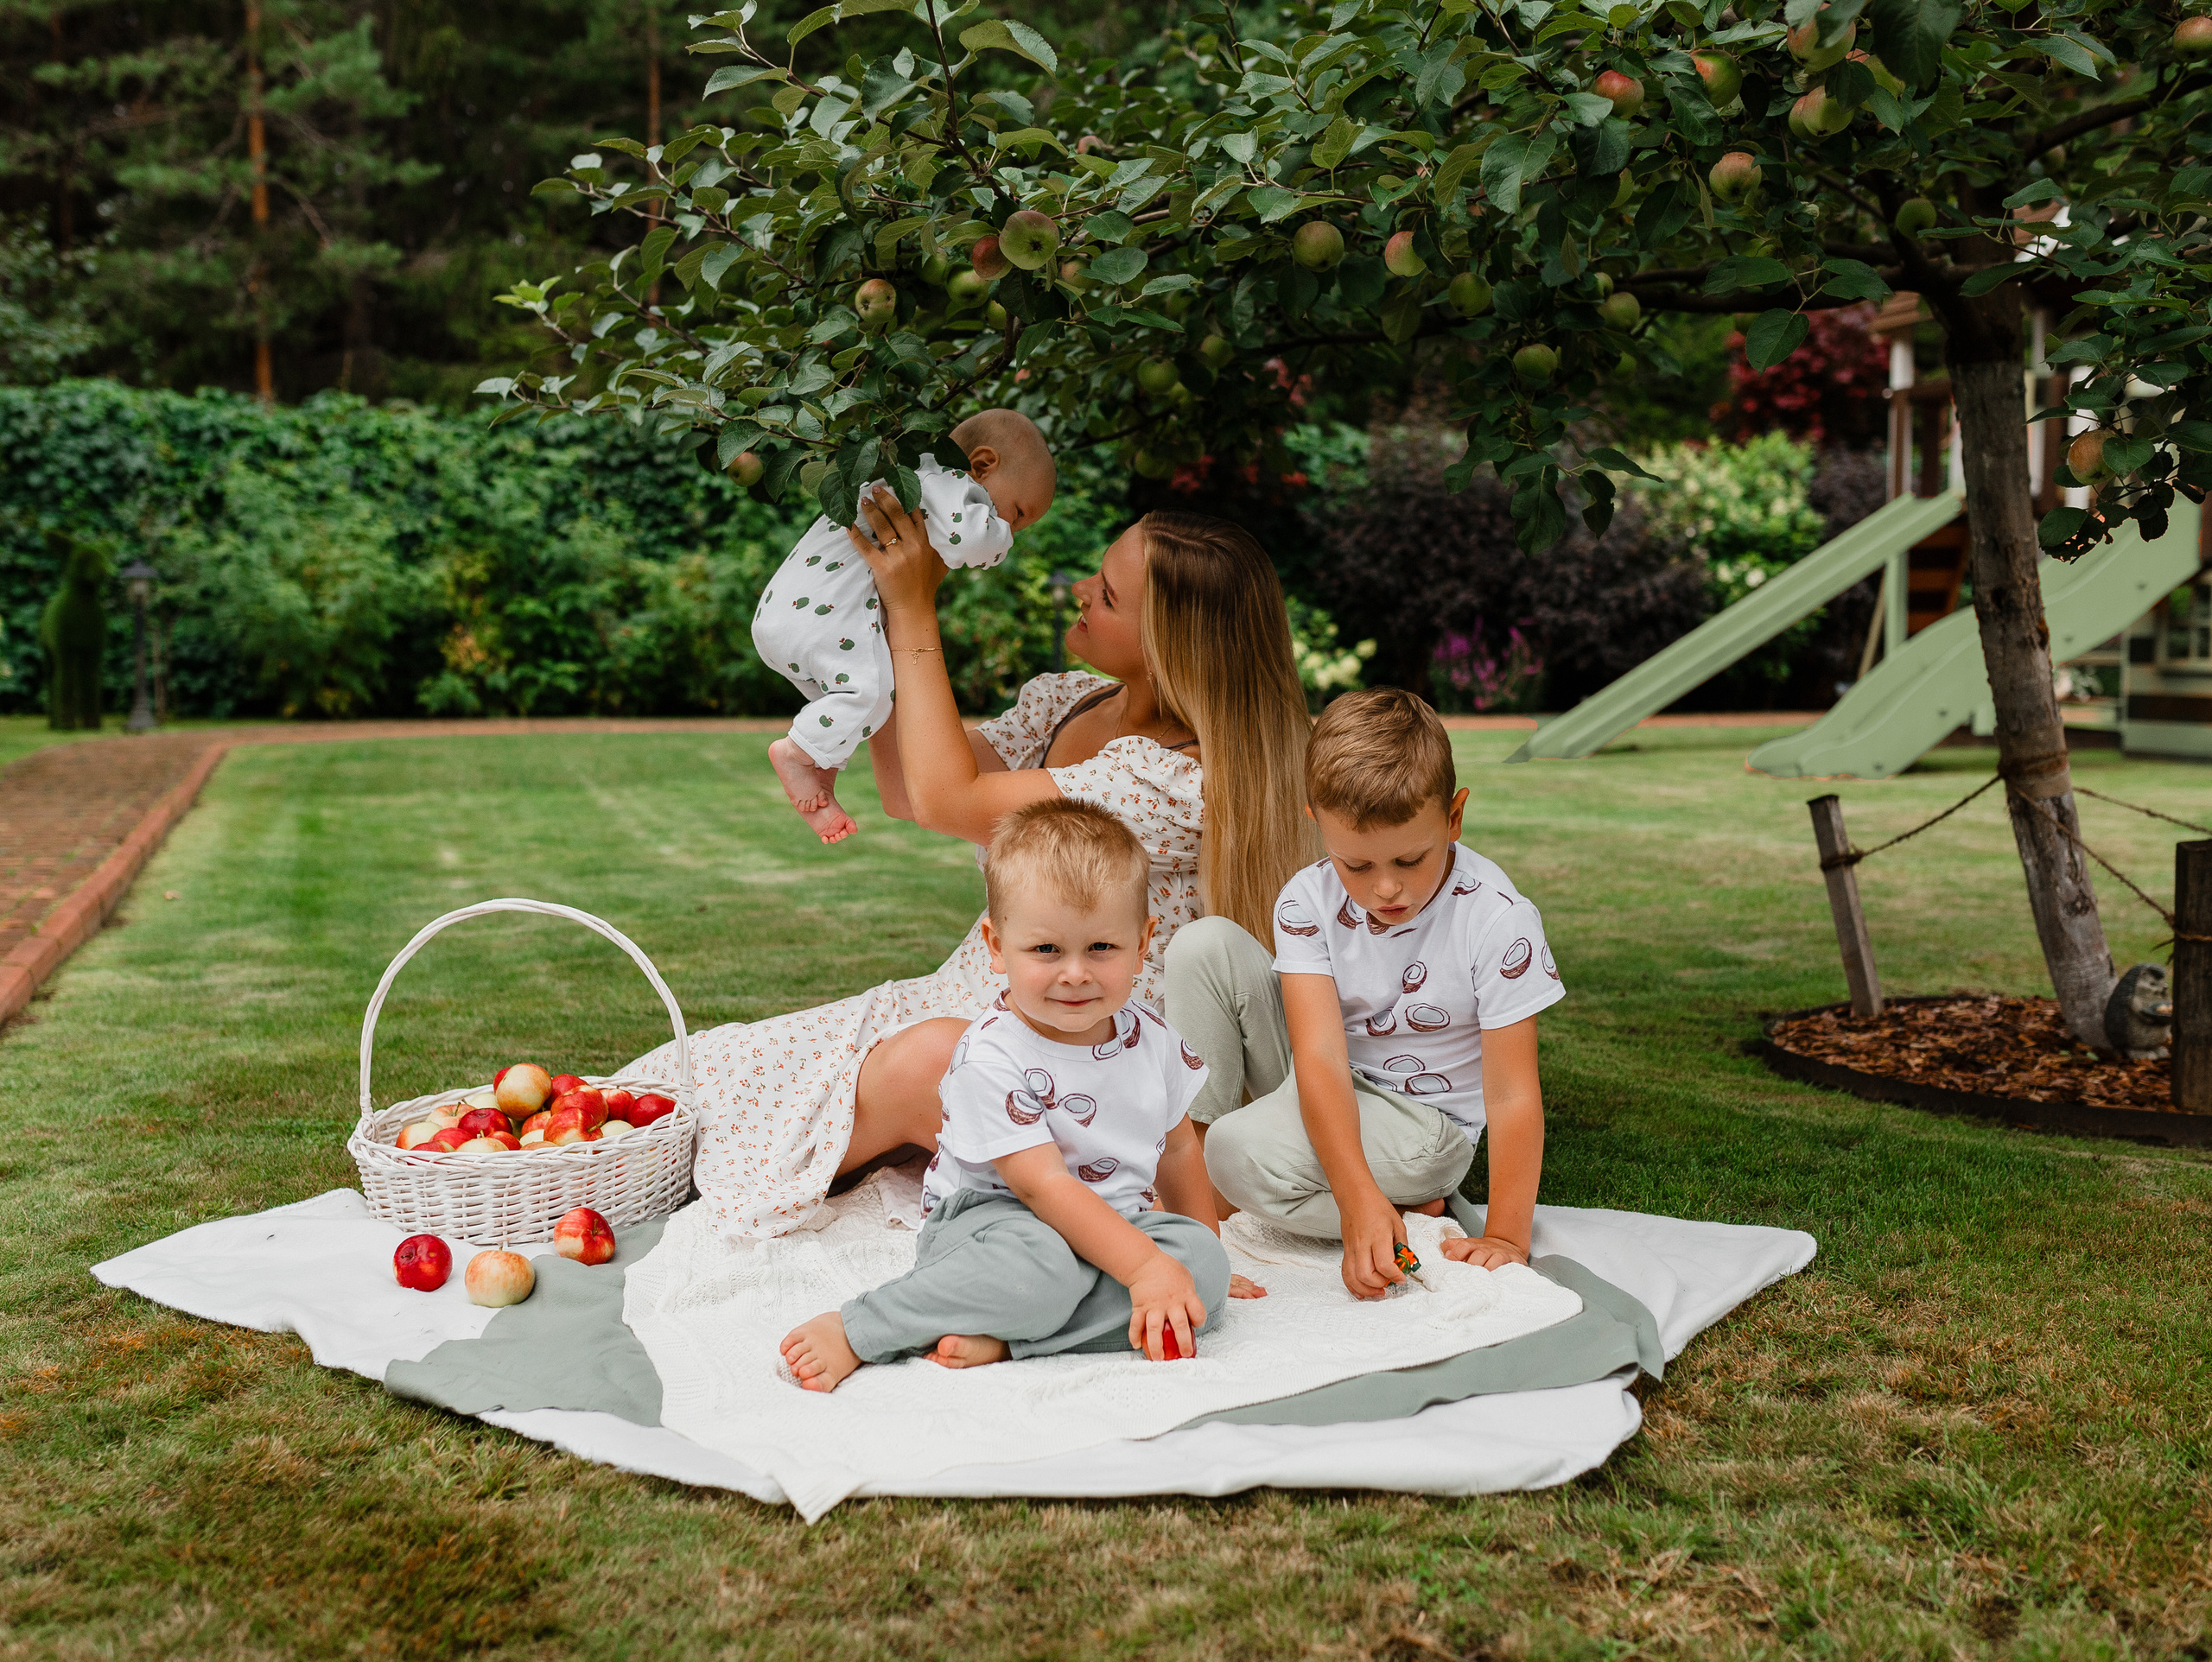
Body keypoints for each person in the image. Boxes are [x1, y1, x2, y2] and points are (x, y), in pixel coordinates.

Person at [627, 498, 1317, 1241]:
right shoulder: (1071, 704)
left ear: (1171, 645)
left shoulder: (1180, 781)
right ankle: (621, 1165)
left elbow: (945, 798)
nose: (1081, 590)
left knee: (914, 1064)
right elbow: (908, 789)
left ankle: (738, 1170)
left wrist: (914, 603)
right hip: (976, 1000)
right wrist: (870, 627)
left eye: (1109, 596)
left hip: (1078, 1054)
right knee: (698, 1075)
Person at [779, 800, 1231, 1392]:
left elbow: (1176, 1152)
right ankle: (865, 1325)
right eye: (1046, 950)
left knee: (1204, 1271)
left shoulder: (1153, 1039)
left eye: (1102, 948)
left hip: (1113, 1225)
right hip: (995, 1228)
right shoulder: (992, 1056)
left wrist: (1189, 1254)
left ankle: (1014, 1337)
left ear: (1143, 943)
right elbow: (1039, 1186)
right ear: (996, 946)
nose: (1075, 973)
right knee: (1043, 1271)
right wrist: (1145, 1266)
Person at [1162, 688, 1562, 1301]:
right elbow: (1318, 1057)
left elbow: (1511, 1093)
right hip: (1327, 1084)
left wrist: (1507, 1238)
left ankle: (1398, 1203)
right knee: (1202, 944)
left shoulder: (1497, 920)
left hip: (1426, 1126)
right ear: (1315, 824)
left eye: (1409, 859)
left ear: (1453, 818)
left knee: (1237, 1151)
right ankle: (1199, 1191)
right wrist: (1353, 1193)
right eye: (1355, 865)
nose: (1385, 889)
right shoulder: (1307, 898)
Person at [752, 409, 1057, 845]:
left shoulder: (908, 480)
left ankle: (819, 768)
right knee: (871, 693)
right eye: (1019, 514)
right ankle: (797, 754)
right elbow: (969, 542)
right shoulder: (941, 479)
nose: (1012, 528)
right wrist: (1000, 539)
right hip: (820, 615)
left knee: (874, 704)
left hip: (796, 615)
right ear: (983, 465)